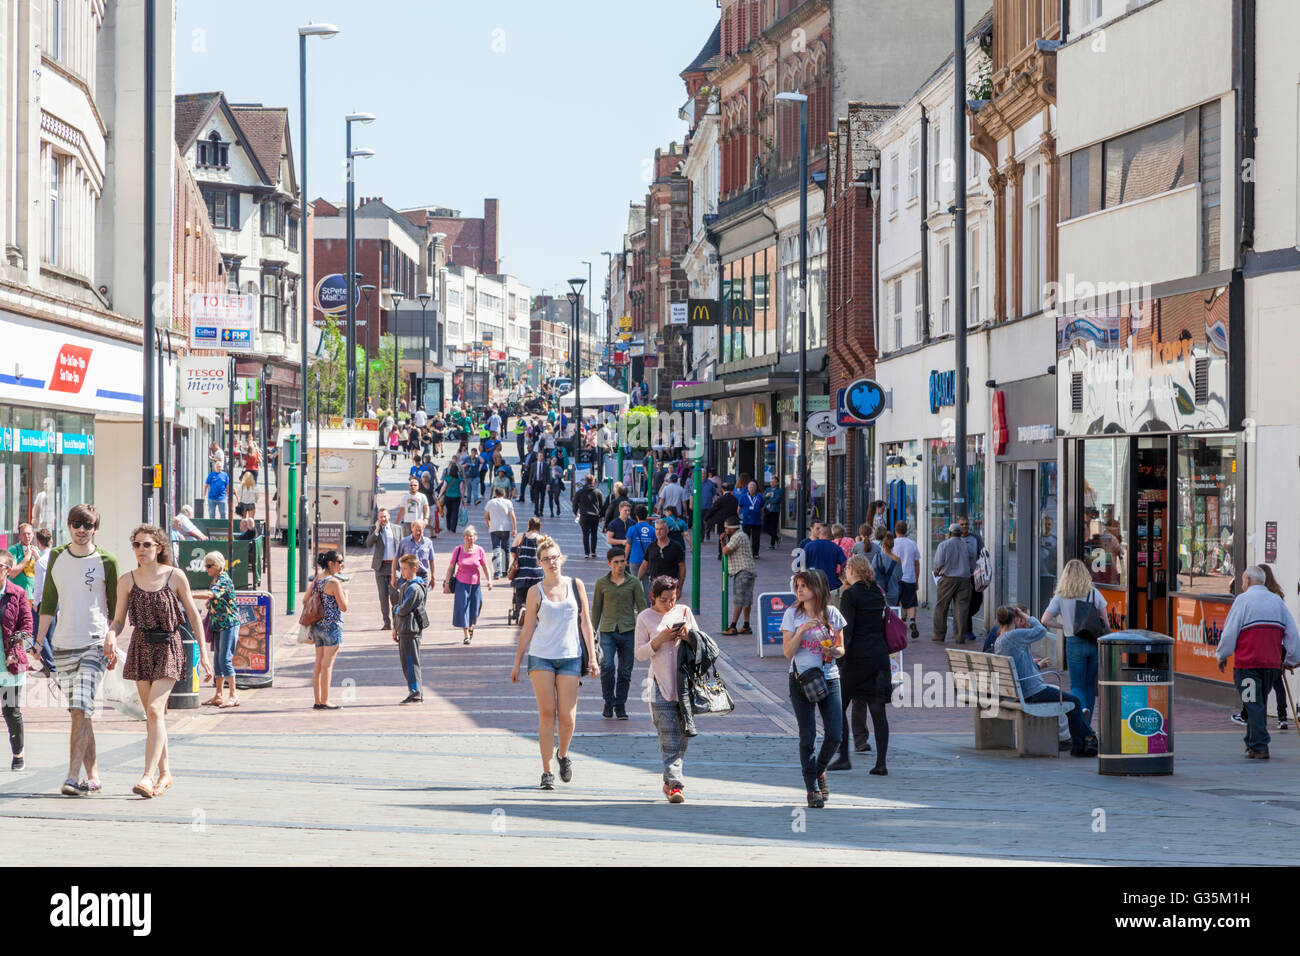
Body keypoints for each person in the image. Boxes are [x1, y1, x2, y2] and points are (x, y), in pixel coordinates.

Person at [108, 524, 212, 798]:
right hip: (141, 646)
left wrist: (203, 654)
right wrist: (111, 634)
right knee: (154, 717)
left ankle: (147, 776)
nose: (141, 550)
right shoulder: (126, 580)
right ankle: (165, 774)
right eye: (136, 545)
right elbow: (119, 620)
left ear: (159, 548)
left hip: (169, 645)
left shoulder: (175, 576)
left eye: (146, 545)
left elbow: (192, 615)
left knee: (155, 710)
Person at [37, 505, 119, 796]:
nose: (81, 530)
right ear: (68, 526)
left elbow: (115, 610)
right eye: (76, 524)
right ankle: (93, 775)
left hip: (94, 643)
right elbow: (48, 602)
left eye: (87, 525)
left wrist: (112, 638)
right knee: (79, 712)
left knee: (81, 707)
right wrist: (38, 641)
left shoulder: (107, 560)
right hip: (63, 645)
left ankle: (72, 777)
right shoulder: (57, 556)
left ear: (95, 528)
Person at [509, 537, 598, 790]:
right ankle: (547, 771)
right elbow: (527, 629)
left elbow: (586, 623)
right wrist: (517, 662)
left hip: (570, 656)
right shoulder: (534, 592)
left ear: (561, 558)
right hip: (541, 657)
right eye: (546, 559)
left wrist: (592, 657)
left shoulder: (576, 585)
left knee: (568, 718)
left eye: (555, 557)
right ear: (540, 563)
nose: (552, 562)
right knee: (548, 714)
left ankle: (563, 755)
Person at [1216, 565, 1300, 759]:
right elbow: (1292, 633)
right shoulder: (1277, 601)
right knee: (1257, 704)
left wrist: (1222, 655)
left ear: (1247, 581)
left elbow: (1230, 632)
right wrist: (1291, 659)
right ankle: (1252, 743)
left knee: (1253, 705)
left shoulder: (1243, 600)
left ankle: (1260, 745)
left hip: (1248, 664)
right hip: (1271, 664)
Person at [994, 605, 1097, 756]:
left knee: (1063, 696)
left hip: (1021, 689)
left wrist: (1035, 665)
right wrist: (1025, 614)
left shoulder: (1000, 640)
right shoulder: (1013, 636)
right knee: (1073, 702)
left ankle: (1082, 737)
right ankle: (1083, 742)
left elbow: (1019, 665)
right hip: (1031, 691)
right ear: (1015, 619)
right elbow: (1041, 630)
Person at [782, 570, 846, 809]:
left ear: (817, 588)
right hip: (800, 679)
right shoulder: (792, 614)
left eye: (804, 586)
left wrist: (833, 651)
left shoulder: (832, 614)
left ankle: (819, 771)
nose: (799, 590)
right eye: (797, 585)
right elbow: (788, 652)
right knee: (807, 736)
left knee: (835, 735)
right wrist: (801, 631)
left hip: (829, 677)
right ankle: (812, 789)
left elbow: (841, 648)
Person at [634, 576, 699, 803]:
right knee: (669, 737)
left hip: (684, 685)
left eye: (672, 599)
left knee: (683, 736)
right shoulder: (645, 618)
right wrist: (659, 640)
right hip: (658, 684)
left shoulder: (683, 611)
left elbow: (699, 643)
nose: (669, 604)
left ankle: (668, 780)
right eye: (664, 600)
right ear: (653, 596)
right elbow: (640, 654)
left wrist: (687, 635)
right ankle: (676, 786)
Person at [826, 555, 891, 774]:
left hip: (857, 659)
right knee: (878, 710)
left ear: (853, 570)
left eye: (847, 570)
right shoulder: (877, 592)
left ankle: (843, 756)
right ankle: (881, 763)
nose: (845, 573)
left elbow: (847, 630)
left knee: (838, 706)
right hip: (879, 656)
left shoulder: (850, 595)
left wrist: (840, 659)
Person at [1040, 558, 1109, 723]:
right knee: (1089, 686)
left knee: (1077, 685)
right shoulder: (1094, 593)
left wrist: (1062, 626)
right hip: (1093, 643)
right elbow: (1105, 622)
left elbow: (1045, 620)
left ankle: (1081, 710)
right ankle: (1088, 725)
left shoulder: (1060, 596)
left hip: (1073, 642)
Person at [1231, 564, 1291, 730]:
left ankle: (1252, 724)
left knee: (1255, 690)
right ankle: (1282, 716)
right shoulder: (1277, 597)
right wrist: (1291, 656)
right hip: (1275, 647)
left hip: (1259, 649)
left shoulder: (1250, 599)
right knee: (1276, 682)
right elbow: (1288, 628)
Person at [591, 546, 647, 720]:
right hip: (607, 631)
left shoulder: (634, 583)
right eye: (616, 562)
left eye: (623, 561)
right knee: (607, 666)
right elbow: (596, 609)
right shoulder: (601, 583)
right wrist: (591, 633)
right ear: (609, 564)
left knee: (625, 672)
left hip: (629, 631)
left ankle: (620, 705)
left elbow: (643, 608)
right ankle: (609, 702)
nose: (620, 565)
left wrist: (647, 632)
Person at [0, 551, 33, 771]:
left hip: (9, 663)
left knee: (10, 710)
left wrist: (14, 645)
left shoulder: (17, 593)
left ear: (7, 570)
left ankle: (18, 754)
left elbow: (27, 628)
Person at [309, 550, 350, 710]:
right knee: (327, 665)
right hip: (332, 626)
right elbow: (344, 607)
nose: (342, 564)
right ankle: (325, 700)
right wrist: (346, 594)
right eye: (340, 561)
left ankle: (318, 700)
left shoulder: (317, 580)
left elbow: (306, 599)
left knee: (318, 664)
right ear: (331, 563)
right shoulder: (333, 583)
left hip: (317, 625)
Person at [202, 551, 241, 708]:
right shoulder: (216, 579)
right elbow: (216, 598)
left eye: (209, 566)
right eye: (205, 566)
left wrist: (188, 595)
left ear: (218, 566)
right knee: (218, 658)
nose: (207, 569)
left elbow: (211, 594)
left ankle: (233, 695)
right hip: (218, 623)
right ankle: (218, 695)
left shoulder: (224, 580)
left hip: (229, 623)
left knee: (225, 658)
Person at [390, 554, 429, 704]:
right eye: (401, 568)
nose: (402, 571)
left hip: (411, 630)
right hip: (403, 628)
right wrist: (395, 628)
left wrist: (396, 609)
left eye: (405, 568)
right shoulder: (404, 586)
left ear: (414, 568)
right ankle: (413, 691)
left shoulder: (415, 588)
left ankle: (416, 691)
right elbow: (398, 609)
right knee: (406, 663)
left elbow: (404, 609)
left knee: (411, 662)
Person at [446, 526, 493, 644]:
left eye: (471, 536)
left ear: (475, 537)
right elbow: (451, 567)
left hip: (475, 583)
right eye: (466, 536)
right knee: (463, 608)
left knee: (476, 607)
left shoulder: (479, 550)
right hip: (461, 583)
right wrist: (447, 583)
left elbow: (485, 566)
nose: (469, 538)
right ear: (464, 538)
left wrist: (489, 580)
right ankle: (466, 634)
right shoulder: (458, 550)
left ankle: (471, 626)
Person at [931, 523, 974, 644]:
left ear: (949, 533)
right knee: (962, 608)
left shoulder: (944, 545)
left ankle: (939, 634)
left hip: (948, 579)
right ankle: (960, 636)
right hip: (965, 579)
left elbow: (939, 563)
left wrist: (937, 571)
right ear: (960, 534)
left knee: (941, 606)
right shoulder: (967, 546)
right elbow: (973, 564)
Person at [365, 509, 402, 630]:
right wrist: (376, 530)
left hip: (394, 567)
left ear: (389, 516)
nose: (383, 519)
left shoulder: (397, 528)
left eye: (385, 516)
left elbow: (402, 546)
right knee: (383, 596)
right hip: (380, 567)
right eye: (381, 517)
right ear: (378, 518)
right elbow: (368, 544)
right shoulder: (375, 529)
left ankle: (397, 620)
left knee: (394, 594)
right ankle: (386, 622)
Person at [719, 517, 756, 635]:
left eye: (726, 527)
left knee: (739, 598)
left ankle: (733, 626)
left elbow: (725, 551)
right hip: (749, 570)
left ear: (732, 527)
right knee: (747, 599)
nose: (725, 529)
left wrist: (722, 541)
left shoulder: (737, 537)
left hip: (742, 570)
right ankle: (746, 625)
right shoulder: (742, 535)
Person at [640, 519, 686, 604]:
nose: (658, 532)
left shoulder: (676, 547)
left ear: (667, 530)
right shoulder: (651, 547)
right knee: (654, 612)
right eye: (657, 529)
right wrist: (637, 581)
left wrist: (679, 587)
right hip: (654, 586)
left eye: (661, 529)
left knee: (668, 611)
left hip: (670, 587)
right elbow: (644, 565)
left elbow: (682, 567)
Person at [803, 522, 846, 604]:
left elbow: (798, 566)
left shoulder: (809, 546)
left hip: (812, 585)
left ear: (820, 533)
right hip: (830, 586)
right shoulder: (836, 548)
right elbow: (845, 564)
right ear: (830, 534)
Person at [892, 521, 921, 639]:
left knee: (897, 602)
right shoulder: (912, 544)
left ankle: (899, 624)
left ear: (895, 531)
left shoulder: (892, 544)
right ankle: (912, 621)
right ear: (906, 530)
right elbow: (916, 564)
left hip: (896, 578)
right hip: (909, 577)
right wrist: (916, 580)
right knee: (911, 602)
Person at [958, 516, 985, 643]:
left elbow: (983, 552)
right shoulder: (954, 539)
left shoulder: (975, 538)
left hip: (974, 576)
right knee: (965, 603)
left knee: (977, 601)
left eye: (966, 524)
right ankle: (967, 630)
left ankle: (965, 622)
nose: (964, 526)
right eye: (962, 524)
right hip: (960, 578)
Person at [510, 516, 545, 613]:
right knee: (536, 593)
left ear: (529, 525)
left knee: (520, 593)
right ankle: (534, 610)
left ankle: (522, 608)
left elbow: (513, 552)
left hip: (521, 572)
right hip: (536, 572)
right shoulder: (541, 539)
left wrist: (521, 557)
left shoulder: (521, 536)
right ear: (539, 526)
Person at [484, 487, 518, 580]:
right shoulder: (508, 502)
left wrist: (489, 526)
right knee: (506, 550)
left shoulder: (490, 502)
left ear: (495, 494)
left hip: (494, 528)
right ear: (504, 494)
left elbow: (486, 517)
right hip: (505, 528)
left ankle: (497, 572)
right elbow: (513, 517)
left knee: (496, 549)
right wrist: (515, 529)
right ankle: (505, 571)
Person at [573, 474, 605, 559]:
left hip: (584, 515)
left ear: (585, 481)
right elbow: (602, 505)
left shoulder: (580, 492)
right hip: (595, 516)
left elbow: (575, 503)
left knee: (585, 534)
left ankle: (586, 553)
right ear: (593, 482)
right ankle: (593, 552)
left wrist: (575, 513)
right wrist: (601, 515)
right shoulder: (598, 492)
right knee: (594, 534)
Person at [626, 504, 656, 586]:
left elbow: (628, 546)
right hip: (648, 561)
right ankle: (647, 599)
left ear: (636, 516)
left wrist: (625, 559)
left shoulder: (631, 529)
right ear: (646, 516)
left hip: (634, 559)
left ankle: (636, 599)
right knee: (647, 584)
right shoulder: (653, 530)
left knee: (635, 583)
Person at [870, 528, 902, 607]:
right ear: (892, 545)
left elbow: (871, 575)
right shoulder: (897, 560)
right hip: (893, 593)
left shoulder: (877, 557)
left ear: (882, 544)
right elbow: (899, 577)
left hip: (879, 593)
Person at [737, 480, 764, 559]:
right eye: (750, 487)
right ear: (748, 488)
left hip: (757, 520)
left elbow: (762, 508)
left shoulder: (759, 496)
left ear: (756, 488)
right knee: (745, 538)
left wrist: (762, 518)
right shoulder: (743, 496)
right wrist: (738, 517)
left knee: (756, 538)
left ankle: (755, 553)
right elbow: (739, 508)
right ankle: (745, 553)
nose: (752, 488)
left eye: (754, 487)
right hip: (746, 521)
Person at [438, 463, 463, 536]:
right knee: (455, 512)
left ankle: (448, 527)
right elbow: (461, 489)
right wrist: (463, 498)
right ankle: (453, 528)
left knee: (448, 512)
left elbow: (444, 487)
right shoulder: (459, 479)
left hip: (448, 496)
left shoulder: (447, 478)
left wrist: (439, 495)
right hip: (457, 497)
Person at [762, 477, 783, 550]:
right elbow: (763, 498)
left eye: (774, 482)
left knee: (773, 528)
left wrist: (768, 498)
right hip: (767, 510)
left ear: (777, 483)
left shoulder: (779, 490)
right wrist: (766, 497)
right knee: (765, 528)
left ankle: (772, 544)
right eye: (771, 482)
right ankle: (777, 538)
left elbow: (776, 500)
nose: (772, 483)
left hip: (774, 511)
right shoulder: (768, 489)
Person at [526, 450, 549, 518]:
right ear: (537, 457)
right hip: (535, 482)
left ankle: (541, 511)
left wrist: (548, 484)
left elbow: (547, 475)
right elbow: (531, 474)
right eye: (540, 456)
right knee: (536, 497)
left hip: (543, 482)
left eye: (542, 456)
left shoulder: (545, 465)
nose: (541, 457)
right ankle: (536, 511)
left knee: (542, 498)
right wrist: (530, 484)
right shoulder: (533, 464)